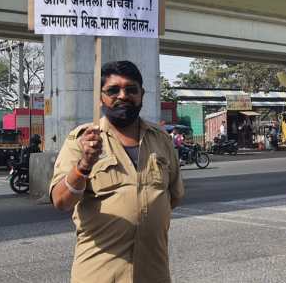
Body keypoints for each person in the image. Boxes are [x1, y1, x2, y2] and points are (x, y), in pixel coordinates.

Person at [49, 60, 185, 283]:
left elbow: (174, 196)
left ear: (142, 94)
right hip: (100, 275)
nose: (123, 95)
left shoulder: (161, 140)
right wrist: (84, 165)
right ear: (101, 97)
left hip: (153, 273)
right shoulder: (81, 140)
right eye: (113, 90)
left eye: (131, 89)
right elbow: (61, 201)